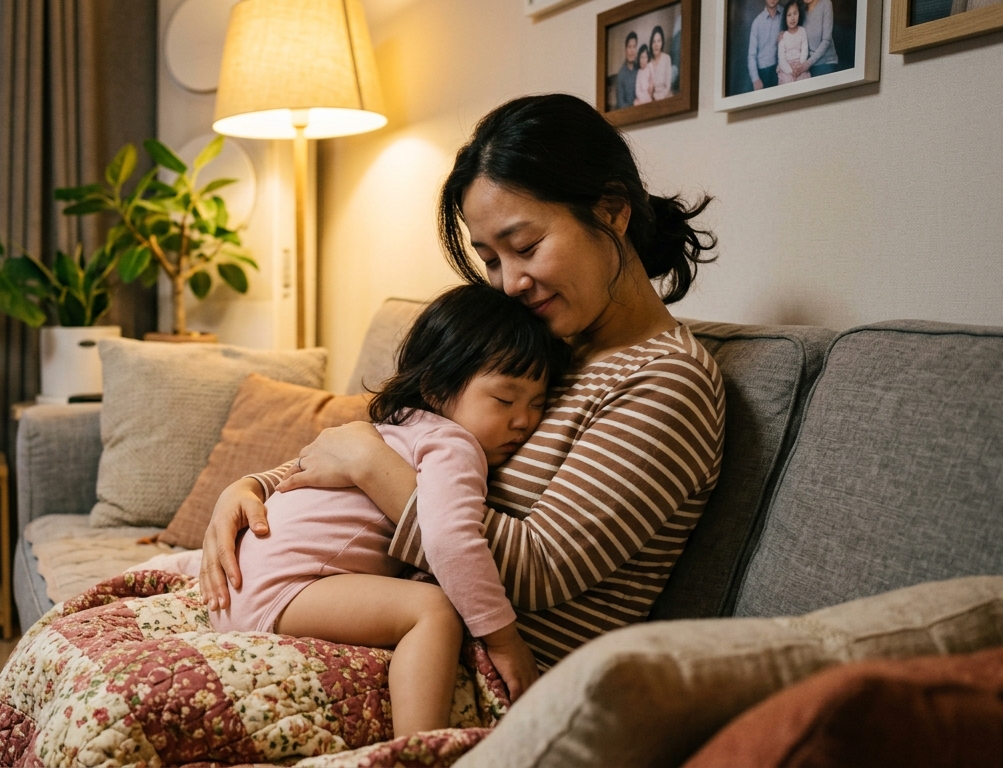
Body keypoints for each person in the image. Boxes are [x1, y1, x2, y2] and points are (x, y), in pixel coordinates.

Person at [200, 94, 727, 697]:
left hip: (485, 681)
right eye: (491, 259)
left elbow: (540, 569)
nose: (510, 282)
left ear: (611, 210)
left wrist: (370, 466)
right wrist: (253, 491)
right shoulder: (544, 345)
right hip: (383, 632)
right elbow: (401, 437)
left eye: (525, 246)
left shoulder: (666, 382)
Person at [211, 284, 569, 736]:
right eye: (504, 400)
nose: (524, 420)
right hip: (283, 593)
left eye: (538, 404)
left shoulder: (393, 428)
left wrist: (249, 484)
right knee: (434, 609)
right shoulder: (452, 443)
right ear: (436, 388)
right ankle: (418, 748)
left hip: (239, 589)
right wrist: (503, 638)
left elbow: (297, 477)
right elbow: (449, 540)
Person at [748, 0, 784, 90]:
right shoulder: (757, 22)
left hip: (783, 67)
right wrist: (755, 79)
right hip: (764, 71)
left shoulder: (786, 14)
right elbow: (751, 55)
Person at [798, 0, 838, 77]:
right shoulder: (800, 8)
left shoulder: (825, 4)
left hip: (825, 62)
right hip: (806, 63)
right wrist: (783, 34)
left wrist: (808, 63)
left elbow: (826, 40)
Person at [777, 0, 811, 85]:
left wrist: (799, 66)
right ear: (785, 17)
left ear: (799, 14)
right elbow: (781, 59)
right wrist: (791, 71)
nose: (792, 18)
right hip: (786, 68)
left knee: (803, 81)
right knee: (787, 81)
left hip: (800, 65)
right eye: (789, 15)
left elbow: (804, 51)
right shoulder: (783, 36)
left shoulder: (802, 31)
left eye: (795, 13)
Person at [615, 32, 640, 110]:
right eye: (629, 47)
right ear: (625, 49)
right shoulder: (621, 75)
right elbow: (621, 104)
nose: (632, 51)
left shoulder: (640, 68)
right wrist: (634, 105)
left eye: (634, 47)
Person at [648, 26, 674, 101]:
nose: (656, 44)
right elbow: (649, 90)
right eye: (654, 41)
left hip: (666, 98)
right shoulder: (649, 64)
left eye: (659, 41)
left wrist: (659, 99)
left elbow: (668, 86)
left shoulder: (667, 58)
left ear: (662, 43)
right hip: (654, 101)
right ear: (651, 44)